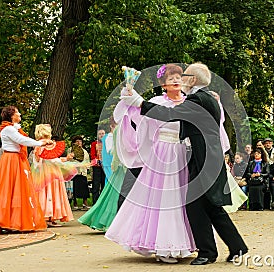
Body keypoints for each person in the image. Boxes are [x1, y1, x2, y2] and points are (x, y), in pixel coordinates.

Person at [119, 62, 248, 265]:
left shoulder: (197, 99)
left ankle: (207, 253)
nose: (181, 79)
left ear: (193, 80)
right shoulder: (207, 98)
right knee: (211, 207)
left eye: (184, 75)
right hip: (207, 160)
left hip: (203, 161)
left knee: (196, 206)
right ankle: (236, 247)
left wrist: (138, 102)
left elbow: (170, 114)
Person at [106, 64, 195, 264]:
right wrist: (130, 97)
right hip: (163, 151)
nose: (176, 80)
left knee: (181, 198)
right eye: (171, 78)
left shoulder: (189, 101)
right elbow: (138, 115)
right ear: (163, 84)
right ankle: (163, 247)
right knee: (164, 198)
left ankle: (181, 245)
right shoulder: (155, 102)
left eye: (178, 77)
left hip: (182, 151)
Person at [0, 106, 50, 233]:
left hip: (15, 160)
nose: (20, 114)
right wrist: (41, 143)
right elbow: (22, 140)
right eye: (17, 112)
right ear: (11, 115)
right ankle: (6, 221)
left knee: (17, 189)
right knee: (10, 189)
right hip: (11, 161)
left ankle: (14, 220)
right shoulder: (8, 129)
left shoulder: (12, 129)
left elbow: (22, 139)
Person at [78, 125, 126, 231]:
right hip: (120, 169)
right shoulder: (110, 137)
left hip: (122, 168)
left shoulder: (117, 134)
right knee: (113, 196)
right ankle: (113, 221)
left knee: (111, 195)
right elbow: (111, 151)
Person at [31, 124, 76, 227]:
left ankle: (48, 216)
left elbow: (39, 161)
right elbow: (53, 160)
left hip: (43, 171)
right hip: (50, 172)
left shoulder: (38, 146)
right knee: (51, 192)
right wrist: (66, 160)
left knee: (46, 193)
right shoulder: (43, 146)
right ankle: (49, 217)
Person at [67, 135, 91, 210]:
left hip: (82, 172)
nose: (79, 143)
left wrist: (87, 168)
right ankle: (75, 203)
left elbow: (87, 161)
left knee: (84, 188)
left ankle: (85, 202)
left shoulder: (84, 151)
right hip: (74, 172)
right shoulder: (70, 150)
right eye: (77, 141)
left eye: (80, 141)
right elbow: (69, 160)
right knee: (74, 188)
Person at [90, 129, 106, 204]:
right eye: (100, 134)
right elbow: (92, 155)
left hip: (105, 166)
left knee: (104, 184)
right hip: (97, 166)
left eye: (103, 133)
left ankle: (103, 202)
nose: (101, 135)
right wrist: (98, 160)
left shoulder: (107, 143)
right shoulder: (94, 144)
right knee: (96, 184)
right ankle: (95, 202)